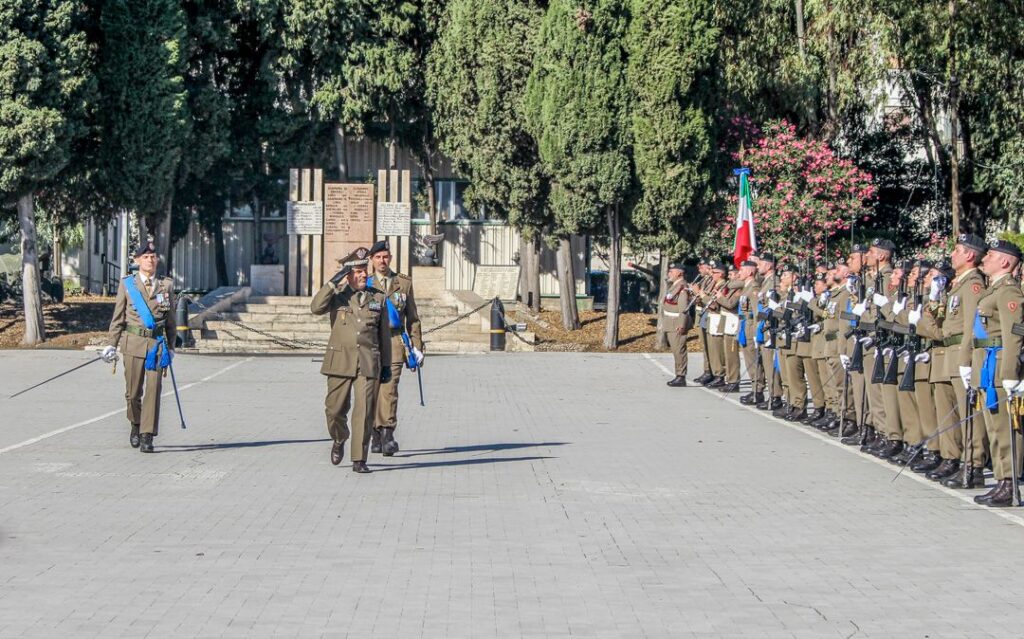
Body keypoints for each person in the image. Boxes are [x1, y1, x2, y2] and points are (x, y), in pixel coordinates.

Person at [311, 247, 392, 473]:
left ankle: (359, 459)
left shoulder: (378, 297)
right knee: (334, 410)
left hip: (368, 362)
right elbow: (315, 308)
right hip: (339, 361)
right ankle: (339, 438)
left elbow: (384, 335)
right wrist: (331, 283)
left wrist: (386, 366)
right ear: (348, 275)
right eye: (357, 271)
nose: (364, 274)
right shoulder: (338, 297)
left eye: (364, 270)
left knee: (364, 412)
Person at [102, 242, 176, 453]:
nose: (150, 260)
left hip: (156, 346)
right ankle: (135, 424)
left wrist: (171, 347)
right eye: (146, 257)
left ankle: (147, 435)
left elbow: (170, 320)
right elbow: (118, 318)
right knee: (133, 393)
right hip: (132, 344)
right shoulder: (128, 285)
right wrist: (111, 344)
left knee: (153, 391)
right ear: (137, 261)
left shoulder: (166, 286)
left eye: (153, 256)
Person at [969, 240, 1024, 506]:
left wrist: (1010, 372)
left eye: (990, 255)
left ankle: (1010, 483)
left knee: (1006, 428)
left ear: (1005, 262)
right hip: (987, 364)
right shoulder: (995, 289)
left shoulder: (1008, 292)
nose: (985, 258)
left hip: (1000, 364)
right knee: (993, 427)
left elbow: (1014, 334)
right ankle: (1002, 480)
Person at [367, 240, 423, 456]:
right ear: (372, 260)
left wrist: (417, 347)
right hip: (371, 344)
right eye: (378, 257)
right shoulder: (366, 283)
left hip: (394, 344)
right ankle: (374, 433)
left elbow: (413, 318)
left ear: (390, 258)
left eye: (385, 257)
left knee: (389, 390)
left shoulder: (403, 283)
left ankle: (388, 433)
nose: (382, 261)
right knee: (371, 391)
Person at [662, 262, 693, 387]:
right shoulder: (675, 286)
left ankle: (681, 376)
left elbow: (683, 309)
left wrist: (682, 324)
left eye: (672, 271)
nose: (669, 273)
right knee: (675, 350)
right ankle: (678, 374)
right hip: (670, 322)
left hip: (677, 323)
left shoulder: (682, 287)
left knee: (679, 350)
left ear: (679, 273)